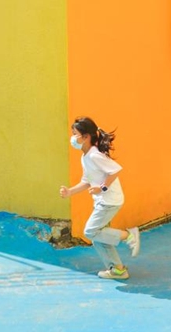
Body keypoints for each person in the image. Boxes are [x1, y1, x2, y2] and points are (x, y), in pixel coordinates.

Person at [60, 116, 140, 280]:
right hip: (102, 202)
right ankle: (118, 269)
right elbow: (86, 181)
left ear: (86, 136)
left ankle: (129, 236)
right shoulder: (86, 156)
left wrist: (102, 187)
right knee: (99, 238)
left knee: (90, 231)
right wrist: (70, 192)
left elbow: (115, 170)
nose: (72, 138)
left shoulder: (95, 155)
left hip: (109, 201)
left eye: (75, 134)